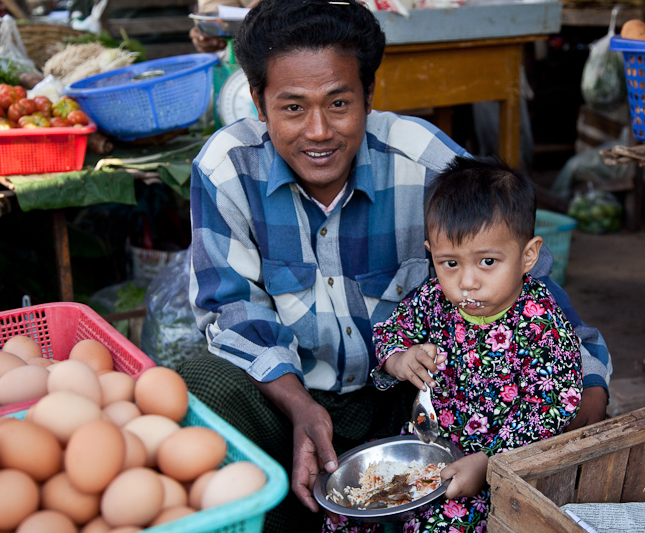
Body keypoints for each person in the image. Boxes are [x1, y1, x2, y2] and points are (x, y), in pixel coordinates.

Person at [181, 1, 612, 531]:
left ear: (368, 96)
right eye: (292, 108)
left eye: (339, 103)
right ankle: (273, 510)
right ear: (258, 102)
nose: (318, 131)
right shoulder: (226, 169)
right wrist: (299, 407)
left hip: (409, 406)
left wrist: (578, 414)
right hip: (291, 395)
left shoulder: (427, 162)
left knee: (493, 381)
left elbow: (534, 295)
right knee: (201, 384)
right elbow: (231, 309)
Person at [324, 156, 583, 532]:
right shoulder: (433, 300)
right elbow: (392, 331)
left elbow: (553, 406)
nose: (467, 282)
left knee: (441, 526)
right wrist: (400, 359)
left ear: (528, 255)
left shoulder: (541, 324)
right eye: (450, 264)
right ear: (431, 252)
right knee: (343, 513)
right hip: (425, 447)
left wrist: (489, 463)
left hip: (498, 471)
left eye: (488, 261)